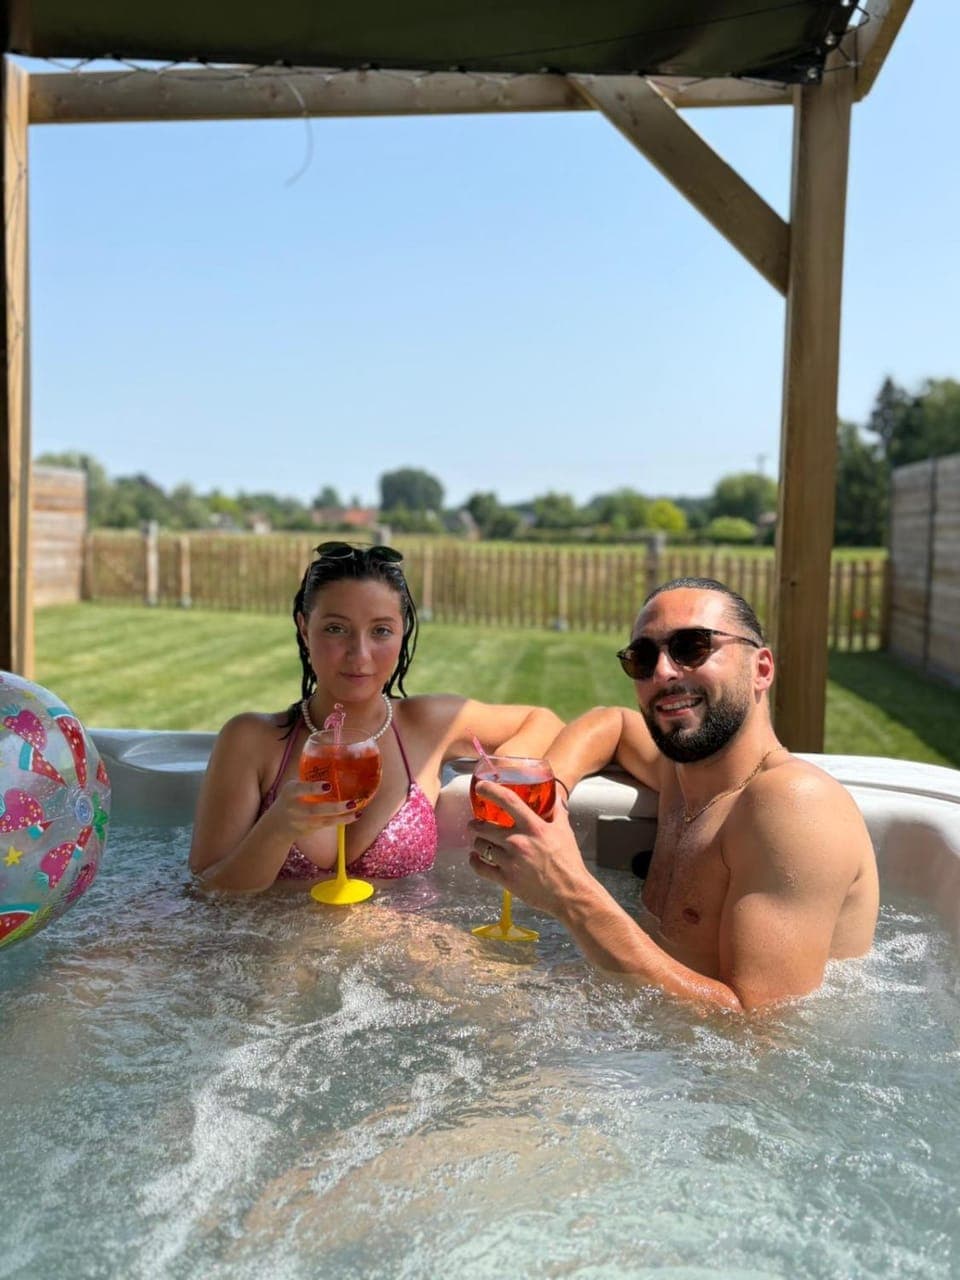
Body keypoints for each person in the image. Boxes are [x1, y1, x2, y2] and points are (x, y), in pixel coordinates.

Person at [469, 577, 879, 1013]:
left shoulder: (793, 803)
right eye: (642, 658)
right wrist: (552, 800)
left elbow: (763, 1033)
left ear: (761, 669)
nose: (662, 672)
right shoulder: (687, 779)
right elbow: (611, 723)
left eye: (692, 648)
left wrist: (571, 894)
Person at [190, 541, 563, 893]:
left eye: (381, 631)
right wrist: (275, 830)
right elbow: (207, 892)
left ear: (402, 634)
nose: (360, 655)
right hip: (277, 954)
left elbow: (542, 720)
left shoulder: (428, 724)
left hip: (406, 953)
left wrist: (496, 779)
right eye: (336, 629)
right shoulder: (252, 741)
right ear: (305, 629)